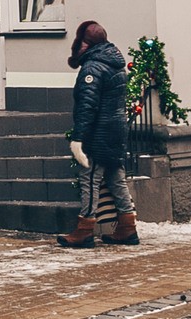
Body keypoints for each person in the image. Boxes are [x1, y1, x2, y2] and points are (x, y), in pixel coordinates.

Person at [59, 20, 137, 248]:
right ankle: (128, 227)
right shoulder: (114, 63)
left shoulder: (93, 67)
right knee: (115, 177)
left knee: (90, 177)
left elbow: (87, 107)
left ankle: (84, 231)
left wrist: (78, 139)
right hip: (117, 129)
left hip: (99, 132)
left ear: (85, 43)